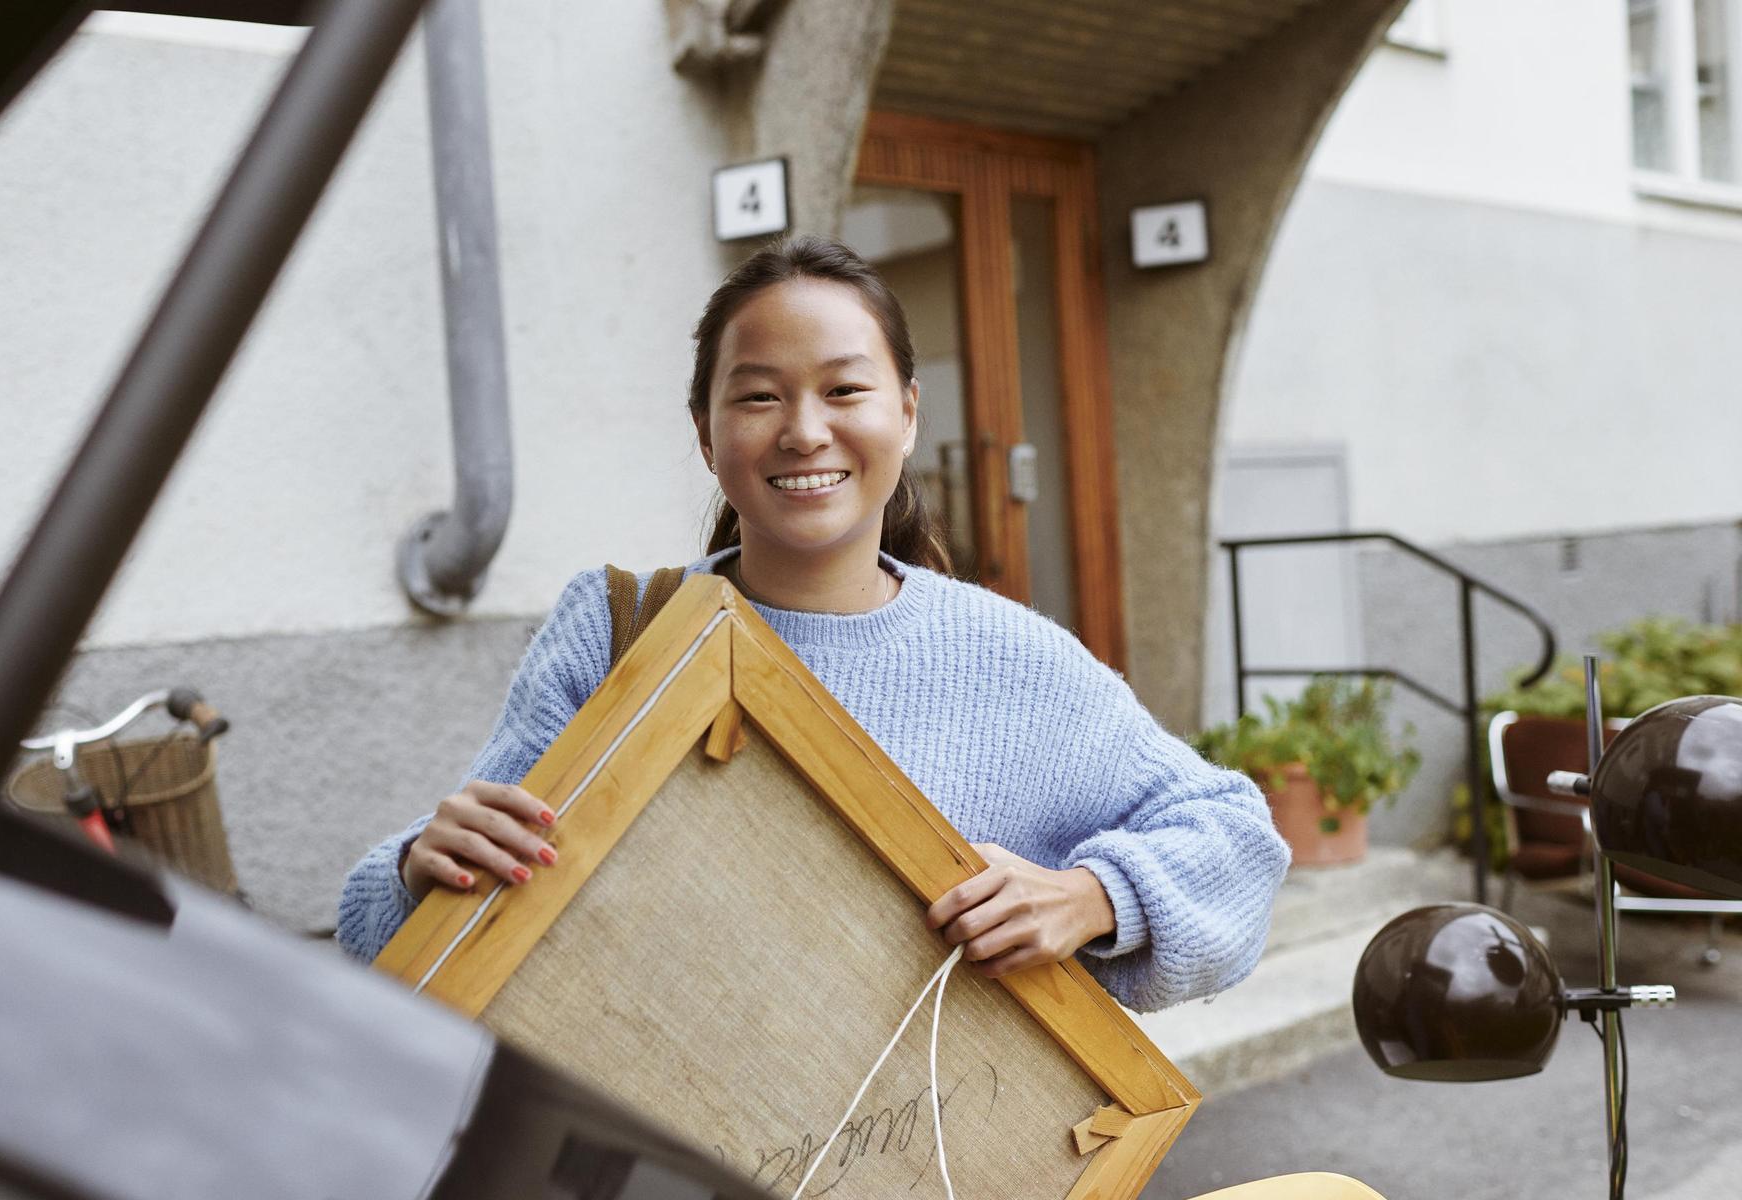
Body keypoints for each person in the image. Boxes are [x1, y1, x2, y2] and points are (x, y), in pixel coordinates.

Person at [338, 235, 1288, 1012]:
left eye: (844, 390)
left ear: (907, 416)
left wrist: (1092, 896)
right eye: (758, 394)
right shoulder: (618, 631)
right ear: (706, 434)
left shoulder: (1013, 660)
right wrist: (424, 866)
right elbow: (399, 932)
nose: (803, 430)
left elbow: (1239, 841)